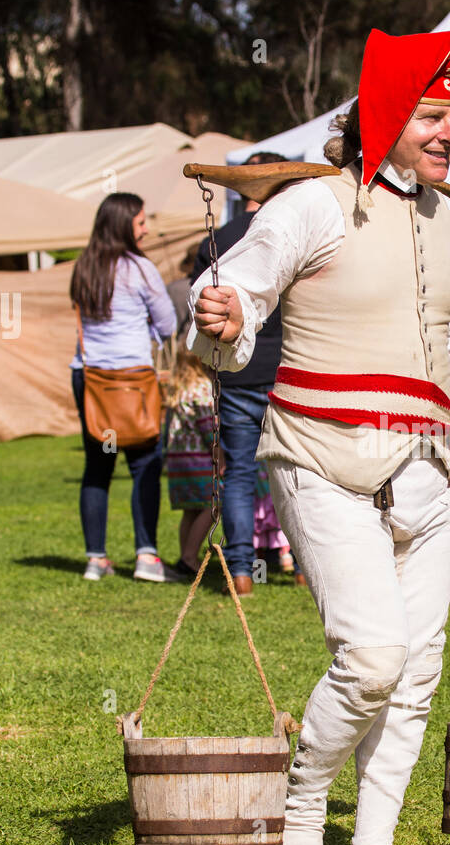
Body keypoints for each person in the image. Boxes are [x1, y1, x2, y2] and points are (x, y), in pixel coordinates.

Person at [190, 26, 450, 845]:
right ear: (387, 115)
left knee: (419, 671)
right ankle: (299, 827)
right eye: (433, 115)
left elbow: (447, 352)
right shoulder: (312, 207)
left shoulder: (447, 222)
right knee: (374, 656)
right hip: (319, 459)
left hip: (426, 473)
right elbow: (229, 312)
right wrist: (224, 314)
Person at [189, 151, 289, 596]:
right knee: (296, 471)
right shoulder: (288, 235)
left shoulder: (219, 236)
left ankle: (243, 572)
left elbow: (200, 312)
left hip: (237, 375)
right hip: (283, 371)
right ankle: (303, 565)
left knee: (241, 476)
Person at [70, 192, 180, 582]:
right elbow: (167, 325)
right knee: (144, 466)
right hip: (133, 380)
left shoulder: (83, 267)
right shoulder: (140, 268)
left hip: (91, 376)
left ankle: (95, 559)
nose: (146, 228)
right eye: (140, 222)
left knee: (97, 467)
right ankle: (146, 556)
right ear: (123, 226)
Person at [163, 343, 217, 577]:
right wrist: (220, 457)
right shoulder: (202, 388)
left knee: (191, 510)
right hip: (199, 459)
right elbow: (208, 428)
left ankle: (186, 555)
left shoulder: (178, 388)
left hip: (177, 461)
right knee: (214, 505)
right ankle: (189, 556)